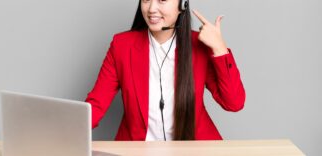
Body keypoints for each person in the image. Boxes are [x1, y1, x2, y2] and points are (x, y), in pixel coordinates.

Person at [85, 0, 245, 141]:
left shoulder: (199, 45)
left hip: (194, 148)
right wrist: (67, 132)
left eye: (162, 0)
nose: (151, 8)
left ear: (182, 5)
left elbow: (234, 102)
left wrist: (219, 48)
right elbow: (96, 105)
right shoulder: (122, 46)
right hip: (137, 150)